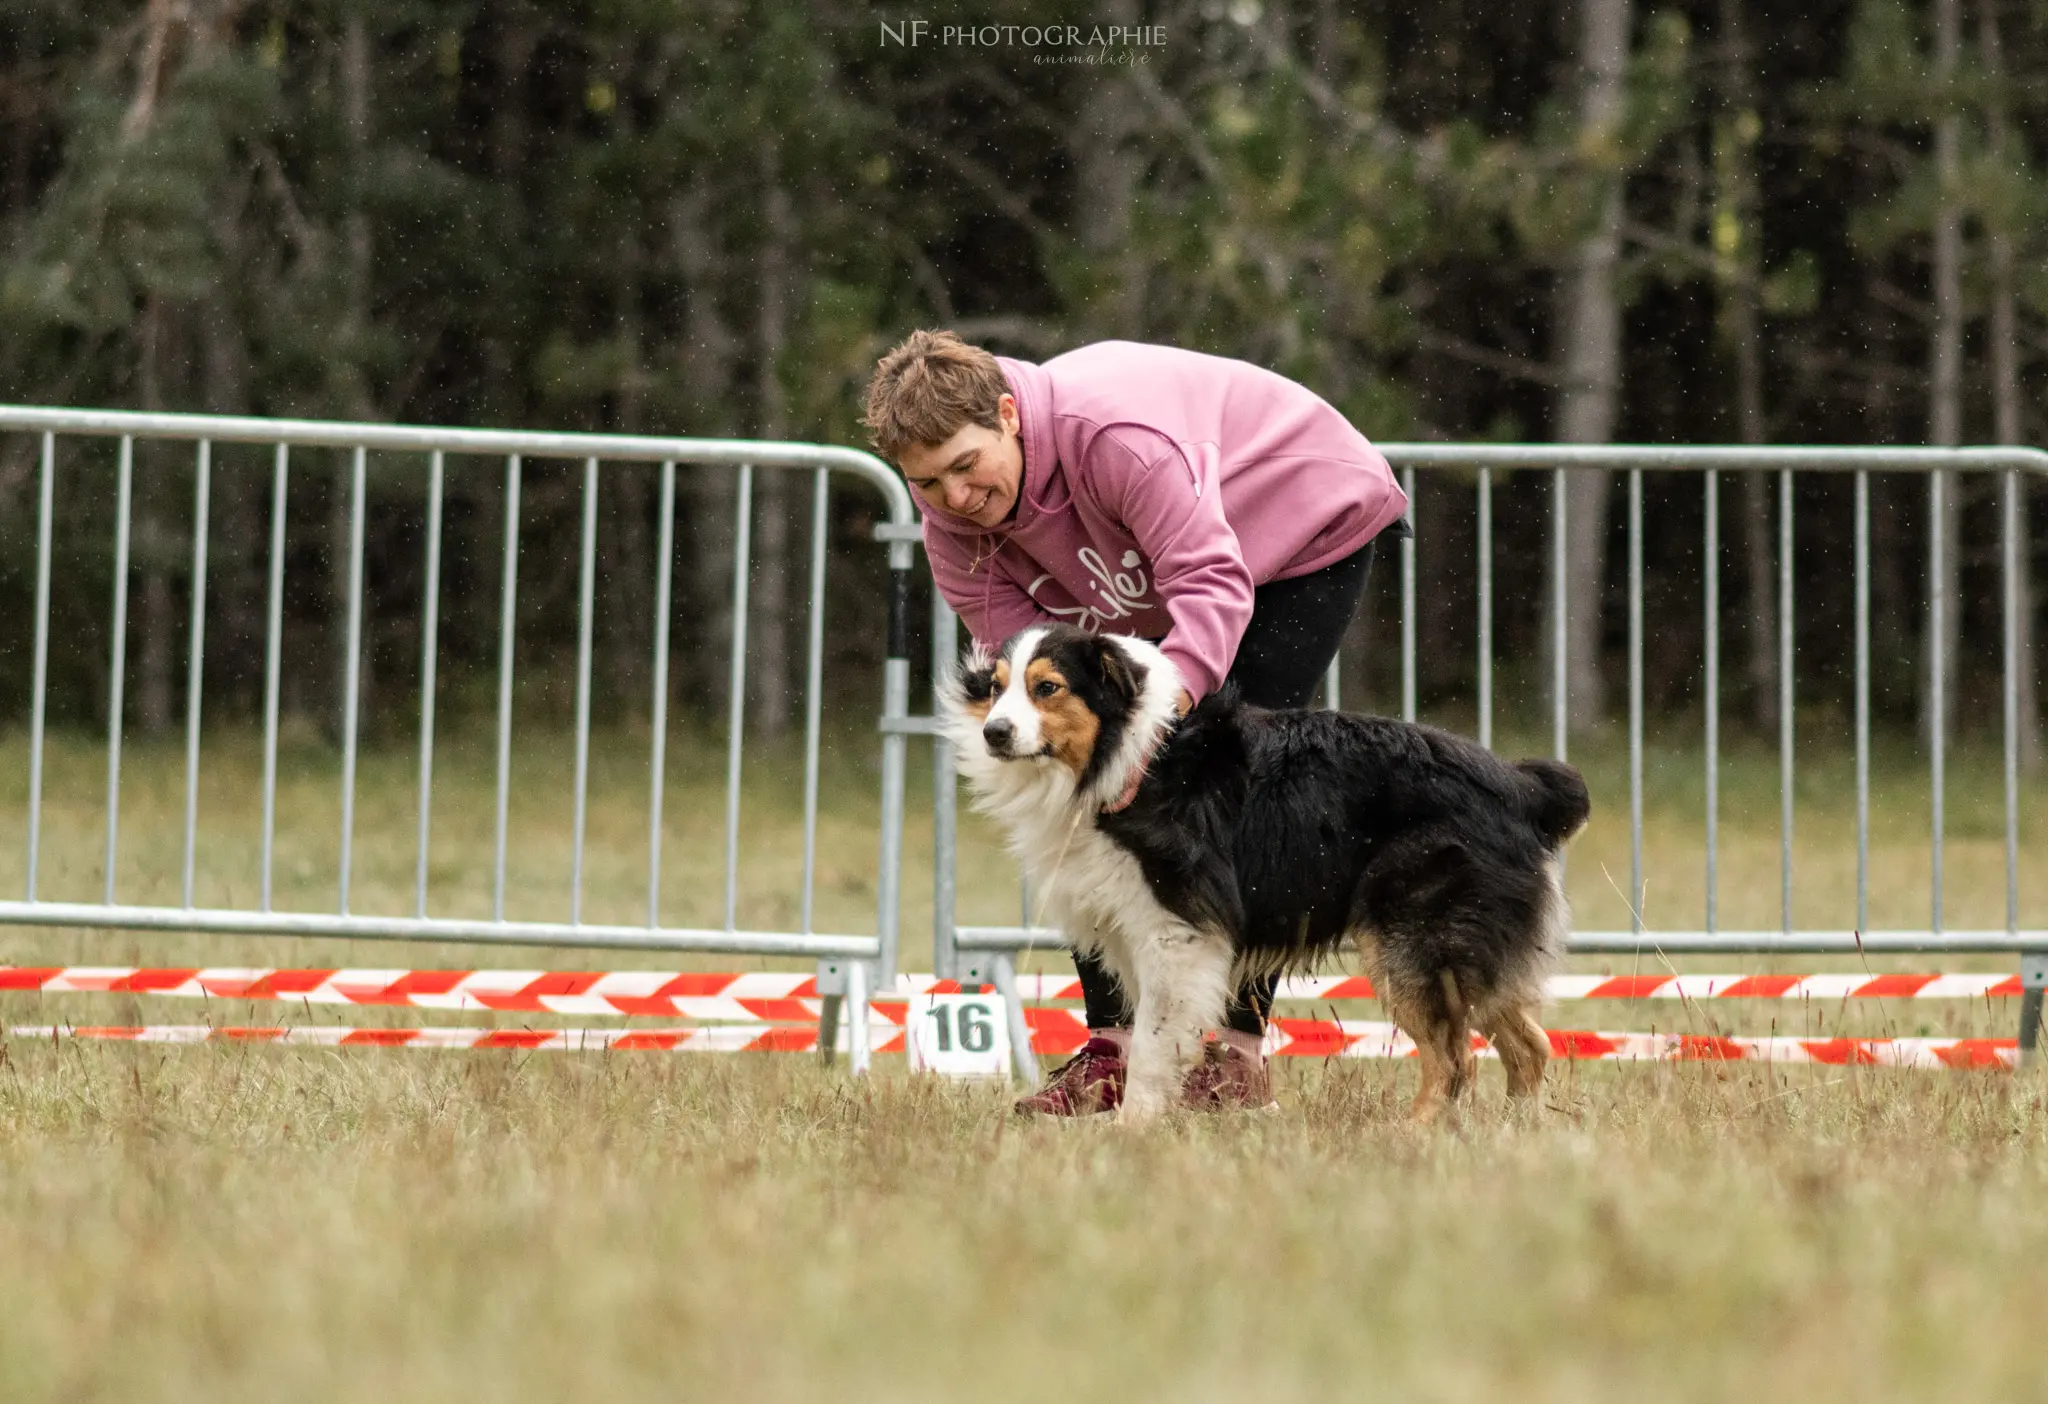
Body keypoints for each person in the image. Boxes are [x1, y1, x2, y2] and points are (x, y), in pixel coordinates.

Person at [864, 330, 1409, 1115]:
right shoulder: (950, 522)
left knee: (1232, 784)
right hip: (1156, 569)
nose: (953, 497)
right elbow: (1024, 660)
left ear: (1010, 416)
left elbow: (1209, 578)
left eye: (964, 465)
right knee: (1089, 803)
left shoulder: (1114, 441)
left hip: (1298, 522)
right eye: (926, 481)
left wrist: (1163, 718)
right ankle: (1113, 1055)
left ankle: (1232, 1055)